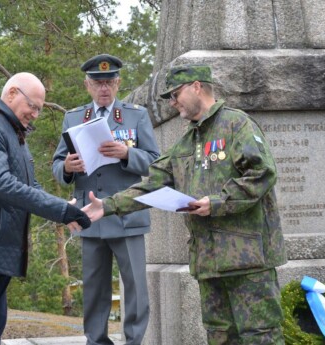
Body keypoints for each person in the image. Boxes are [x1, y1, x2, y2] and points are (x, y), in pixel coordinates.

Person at [81, 64, 287, 345]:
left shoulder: (237, 125)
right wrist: (107, 206)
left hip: (247, 261)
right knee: (220, 337)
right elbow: (151, 183)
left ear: (197, 87)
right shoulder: (187, 142)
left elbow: (262, 173)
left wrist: (216, 203)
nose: (172, 103)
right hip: (209, 261)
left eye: (175, 94)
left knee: (260, 336)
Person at [0, 72, 91, 345]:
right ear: (11, 94)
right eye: (32, 106)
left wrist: (65, 208)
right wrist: (59, 210)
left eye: (39, 109)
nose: (35, 114)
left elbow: (31, 186)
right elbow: (2, 184)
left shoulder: (13, 134)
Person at [52, 54, 160, 345]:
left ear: (118, 83)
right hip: (89, 217)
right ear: (87, 85)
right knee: (94, 290)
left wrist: (127, 154)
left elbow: (155, 162)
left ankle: (134, 341)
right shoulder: (74, 118)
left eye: (110, 82)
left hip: (127, 217)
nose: (104, 88)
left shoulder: (136, 115)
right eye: (98, 82)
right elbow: (57, 163)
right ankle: (96, 341)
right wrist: (66, 167)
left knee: (136, 287)